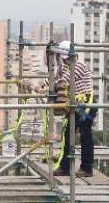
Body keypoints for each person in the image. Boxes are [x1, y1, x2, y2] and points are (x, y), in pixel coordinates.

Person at [44, 41, 96, 177]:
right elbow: (53, 79)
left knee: (85, 135)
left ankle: (87, 168)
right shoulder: (65, 67)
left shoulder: (78, 66)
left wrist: (47, 88)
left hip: (85, 105)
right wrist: (40, 86)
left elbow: (62, 81)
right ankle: (65, 166)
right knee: (67, 134)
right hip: (73, 104)